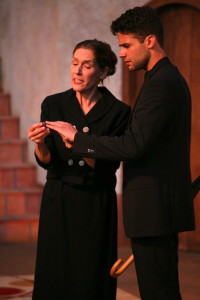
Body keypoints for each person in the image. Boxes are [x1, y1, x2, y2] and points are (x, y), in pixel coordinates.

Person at [53, 6, 196, 300]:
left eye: (126, 45)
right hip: (155, 208)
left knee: (159, 292)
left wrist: (79, 138)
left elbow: (133, 146)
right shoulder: (161, 79)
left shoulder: (162, 84)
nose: (121, 53)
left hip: (155, 208)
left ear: (150, 41)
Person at [28, 39, 131, 300]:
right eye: (74, 63)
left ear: (104, 71)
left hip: (96, 200)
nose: (77, 71)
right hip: (59, 196)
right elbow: (47, 160)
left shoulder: (118, 112)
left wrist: (78, 142)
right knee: (56, 270)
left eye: (86, 66)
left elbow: (109, 165)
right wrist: (40, 143)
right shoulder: (54, 104)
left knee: (90, 272)